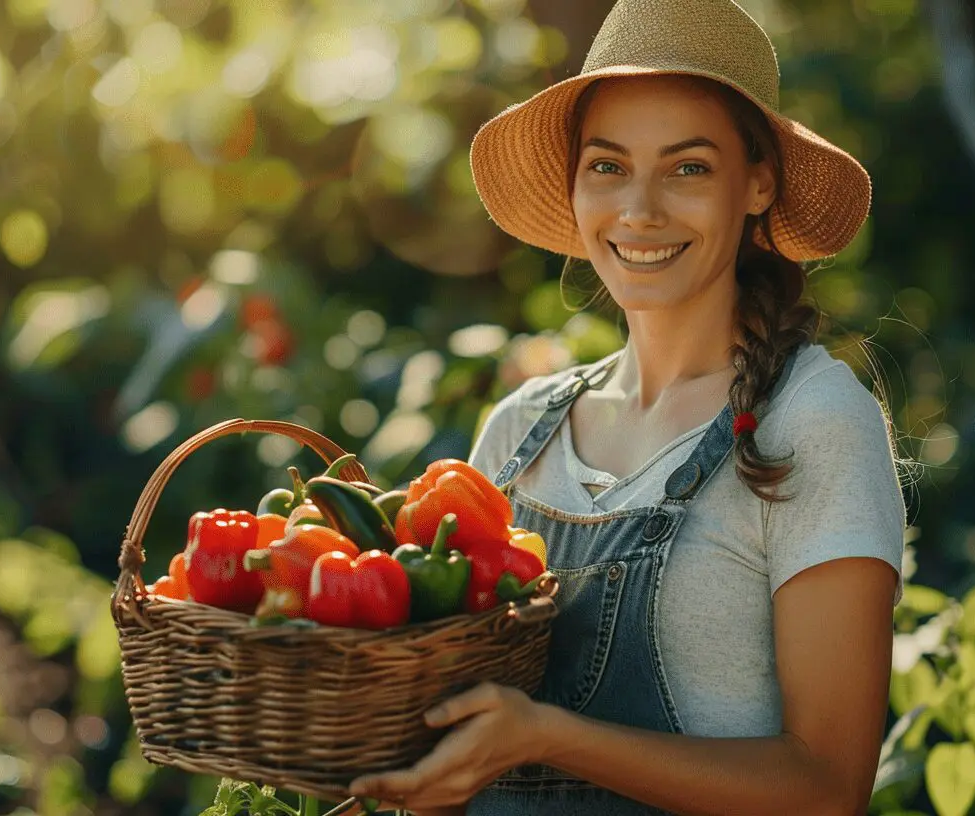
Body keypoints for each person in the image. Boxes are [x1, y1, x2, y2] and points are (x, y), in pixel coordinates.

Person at [349, 0, 906, 813]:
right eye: (607, 166)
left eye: (688, 168)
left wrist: (546, 736)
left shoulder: (812, 424)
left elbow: (827, 789)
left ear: (757, 184)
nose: (639, 210)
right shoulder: (517, 432)